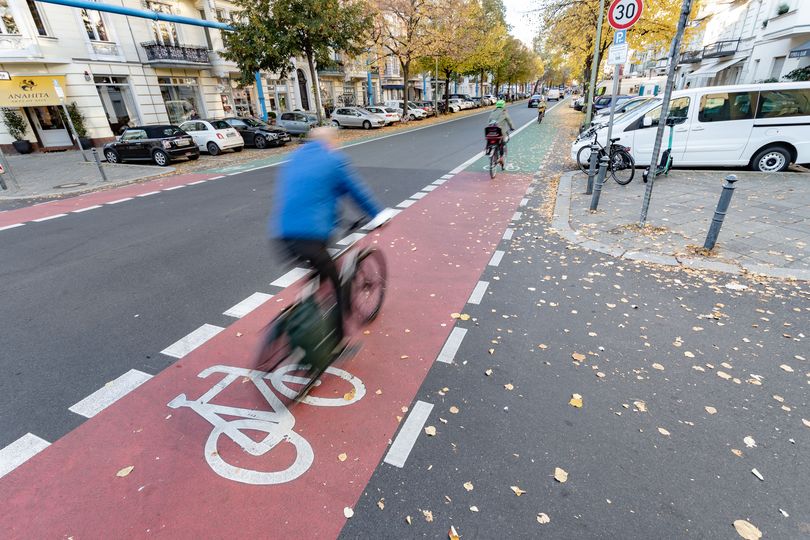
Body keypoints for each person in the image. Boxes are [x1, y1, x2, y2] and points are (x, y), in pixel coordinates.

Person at [269, 127, 382, 345]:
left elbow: (310, 194)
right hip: (311, 238)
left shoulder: (293, 158)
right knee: (338, 285)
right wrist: (378, 215)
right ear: (330, 141)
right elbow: (354, 190)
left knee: (319, 272)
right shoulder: (333, 159)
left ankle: (303, 304)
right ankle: (338, 342)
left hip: (282, 235)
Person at [487, 99, 515, 164]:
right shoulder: (504, 113)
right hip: (500, 132)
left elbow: (489, 121)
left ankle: (490, 151)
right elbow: (509, 121)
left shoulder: (493, 112)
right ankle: (501, 158)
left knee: (491, 140)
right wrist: (512, 127)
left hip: (490, 131)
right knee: (502, 143)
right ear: (503, 106)